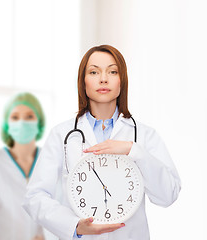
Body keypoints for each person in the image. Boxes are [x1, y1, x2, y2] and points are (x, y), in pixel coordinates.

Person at [23, 45, 181, 240]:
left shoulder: (144, 135)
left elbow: (168, 195)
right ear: (83, 81)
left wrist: (135, 151)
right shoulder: (62, 135)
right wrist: (75, 226)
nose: (103, 78)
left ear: (122, 80)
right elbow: (35, 196)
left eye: (112, 71)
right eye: (94, 71)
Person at [0, 92, 46, 240]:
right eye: (15, 117)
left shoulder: (51, 161)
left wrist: (46, 236)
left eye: (29, 116)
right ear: (6, 124)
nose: (22, 122)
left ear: (39, 122)